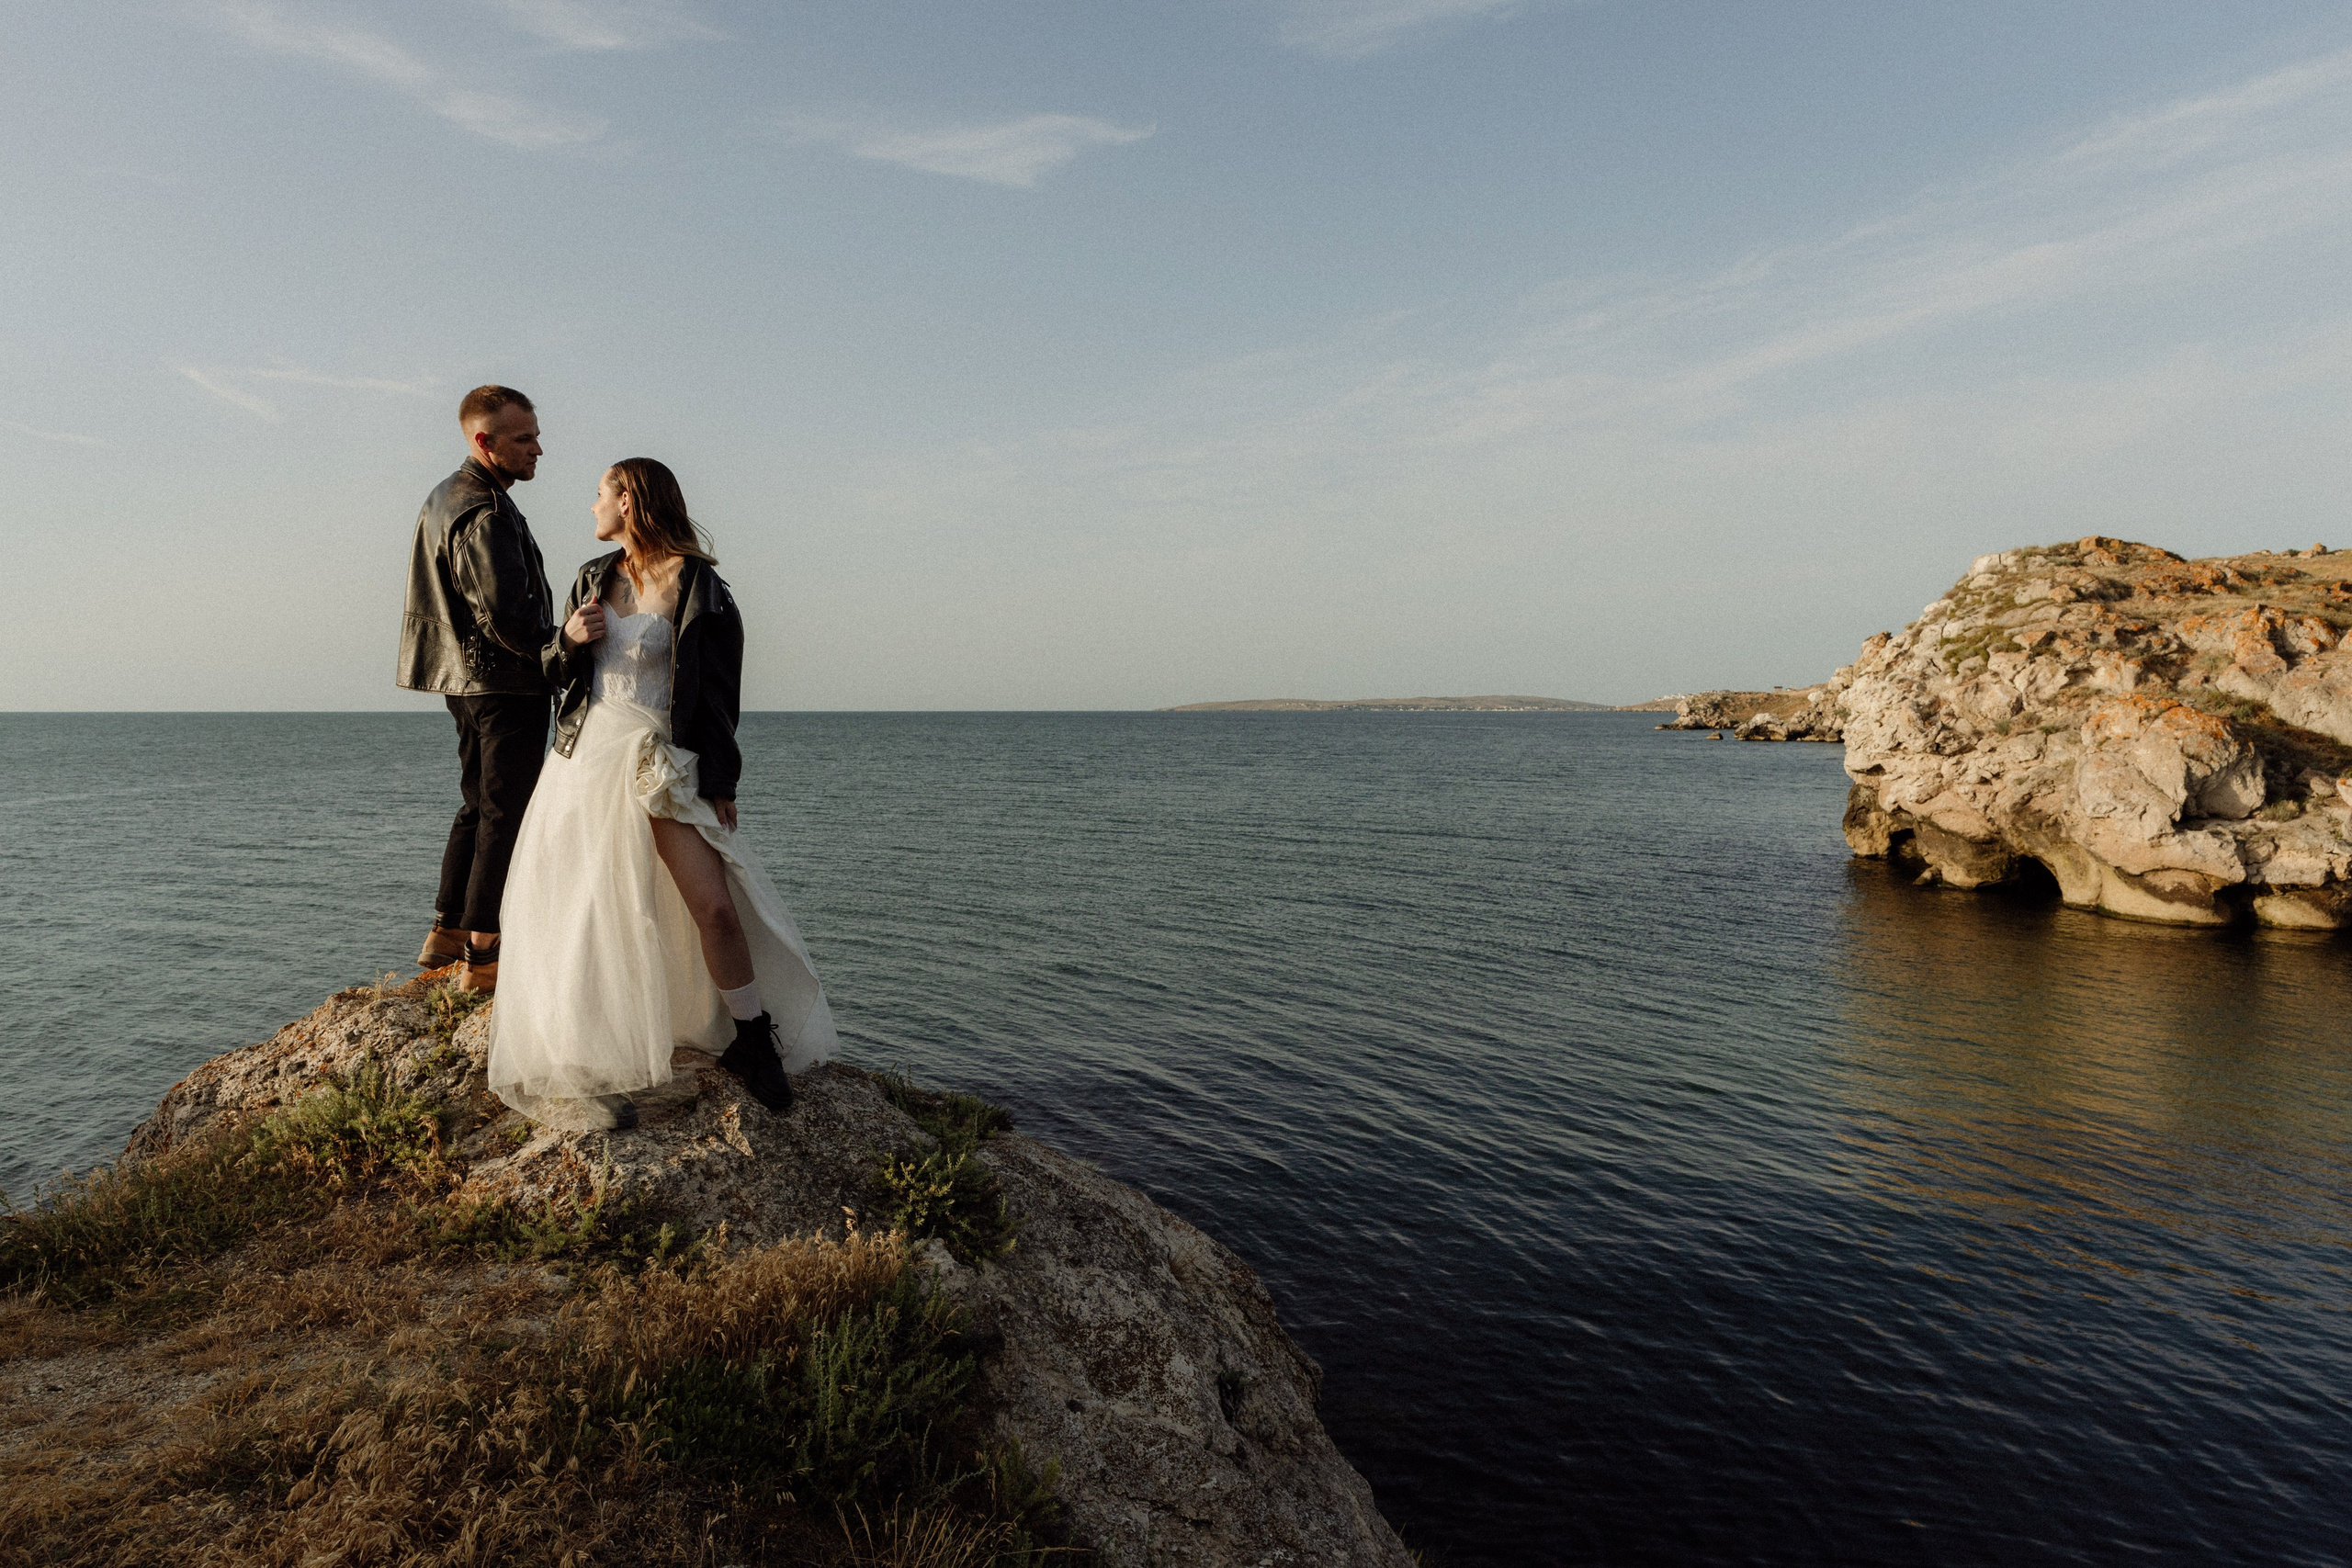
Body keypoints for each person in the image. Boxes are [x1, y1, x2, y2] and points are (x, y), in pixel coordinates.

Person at [485, 458, 835, 1131]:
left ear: (628, 499)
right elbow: (555, 675)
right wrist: (566, 639)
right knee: (589, 910)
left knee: (716, 904)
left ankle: (753, 1039)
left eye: (598, 495)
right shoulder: (592, 578)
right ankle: (584, 1051)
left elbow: (720, 697)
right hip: (585, 761)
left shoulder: (701, 586)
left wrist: (723, 779)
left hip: (660, 761)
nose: (591, 507)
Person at [396, 385, 557, 993]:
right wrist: (564, 646)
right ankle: (484, 955)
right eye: (524, 439)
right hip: (503, 681)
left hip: (466, 681)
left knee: (478, 803)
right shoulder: (484, 508)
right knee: (503, 814)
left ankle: (446, 929)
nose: (538, 449)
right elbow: (509, 619)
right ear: (483, 442)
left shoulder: (445, 497)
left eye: (537, 435)